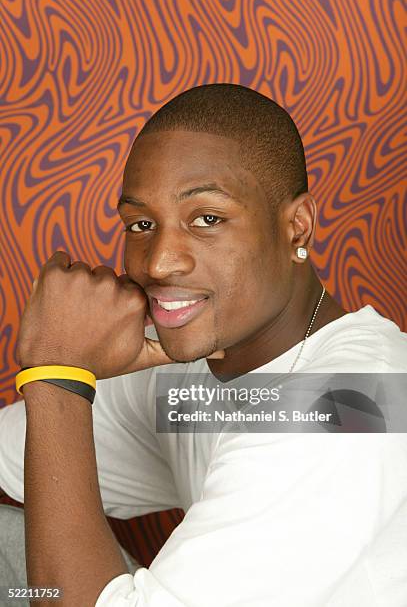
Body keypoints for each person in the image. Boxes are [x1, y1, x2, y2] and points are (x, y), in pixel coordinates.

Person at [0, 84, 406, 606]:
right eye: (142, 225)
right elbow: (19, 455)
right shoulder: (196, 376)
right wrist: (64, 383)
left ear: (296, 226)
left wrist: (56, 372)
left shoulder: (354, 403)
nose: (159, 262)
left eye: (208, 219)